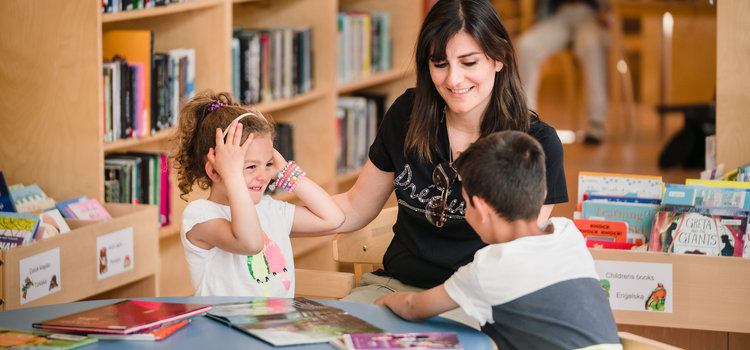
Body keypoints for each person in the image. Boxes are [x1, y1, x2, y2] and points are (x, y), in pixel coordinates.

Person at [333, 0, 568, 327]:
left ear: (498, 58)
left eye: (468, 62)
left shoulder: (536, 145)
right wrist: (265, 214)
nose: (454, 80)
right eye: (439, 63)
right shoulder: (407, 114)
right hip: (393, 287)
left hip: (476, 302)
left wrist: (420, 306)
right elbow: (354, 207)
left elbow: (512, 257)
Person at [375, 131, 621, 349]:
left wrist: (383, 301)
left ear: (481, 208)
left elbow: (413, 307)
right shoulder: (568, 234)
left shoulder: (490, 268)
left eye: (465, 202)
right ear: (543, 193)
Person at [172, 90, 344, 297]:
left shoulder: (270, 209)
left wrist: (286, 173)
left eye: (268, 164)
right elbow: (250, 243)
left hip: (275, 325)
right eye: (251, 167)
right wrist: (233, 176)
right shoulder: (201, 216)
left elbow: (333, 218)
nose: (264, 176)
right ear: (215, 171)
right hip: (224, 327)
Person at [516, 0, 610, 144]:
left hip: (591, 15)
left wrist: (606, 10)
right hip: (557, 16)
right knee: (526, 46)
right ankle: (527, 118)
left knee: (591, 46)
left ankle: (596, 120)